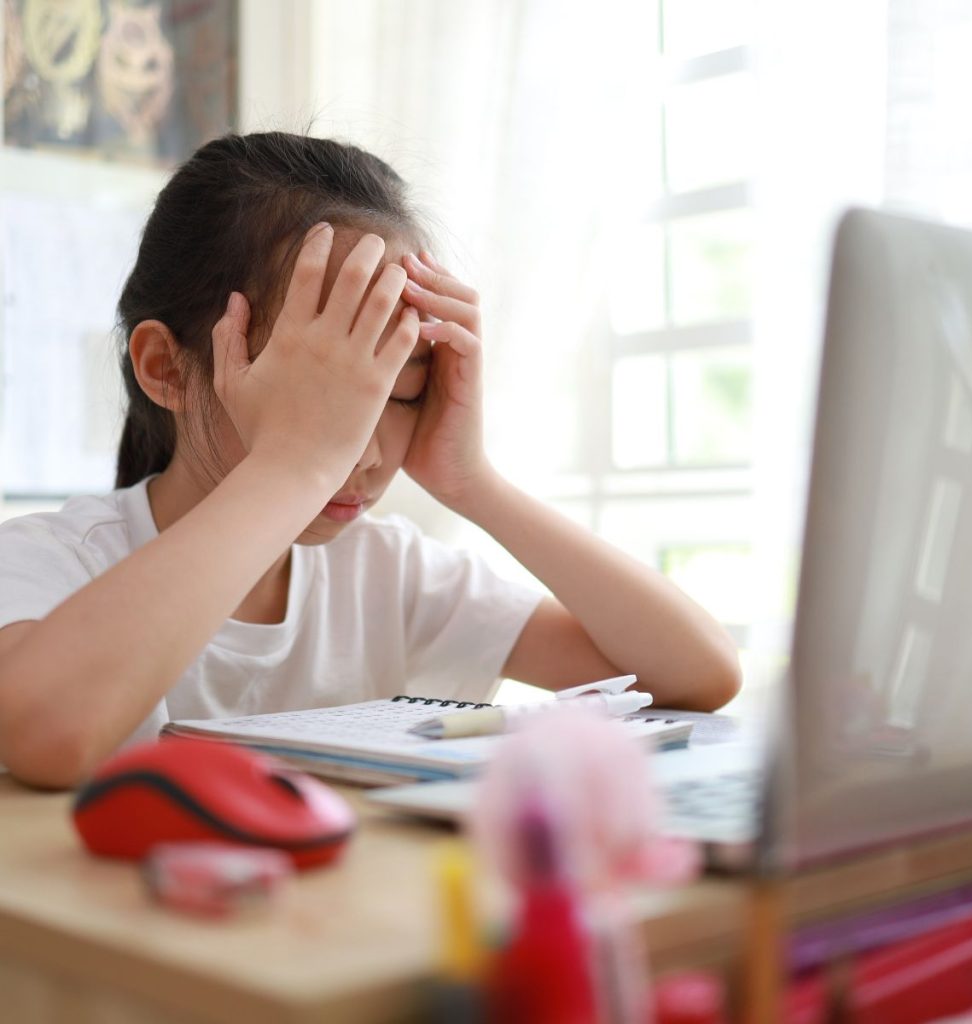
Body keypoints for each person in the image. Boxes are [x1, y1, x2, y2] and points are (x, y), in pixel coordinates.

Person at [0, 132, 740, 789]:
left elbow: (698, 673)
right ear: (167, 367)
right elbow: (50, 735)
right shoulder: (52, 563)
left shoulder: (387, 573)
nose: (362, 446)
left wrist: (472, 482)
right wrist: (291, 467)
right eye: (324, 393)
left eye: (405, 391)